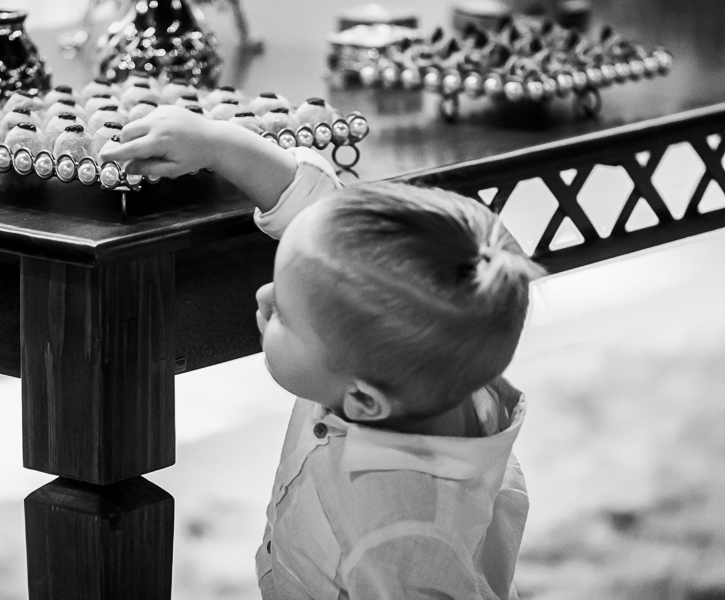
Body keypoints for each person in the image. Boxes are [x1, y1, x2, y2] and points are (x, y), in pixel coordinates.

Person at [101, 105, 545, 599]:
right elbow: (308, 203)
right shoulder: (397, 360)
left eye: (286, 317)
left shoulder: (404, 541)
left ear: (364, 401)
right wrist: (216, 144)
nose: (263, 297)